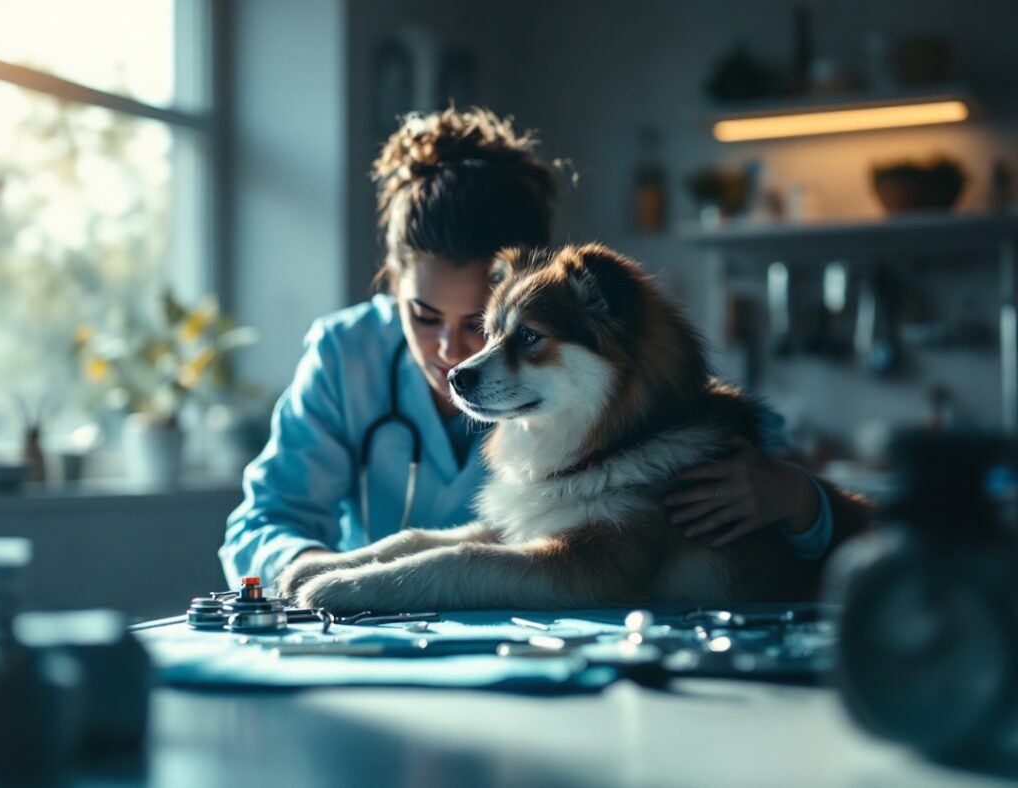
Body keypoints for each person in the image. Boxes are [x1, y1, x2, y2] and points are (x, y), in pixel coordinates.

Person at [219, 107, 849, 590]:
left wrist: (798, 498)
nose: (452, 354)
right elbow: (260, 521)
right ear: (392, 282)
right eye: (423, 316)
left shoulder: (611, 397)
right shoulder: (344, 355)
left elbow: (806, 534)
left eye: (481, 323)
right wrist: (314, 568)